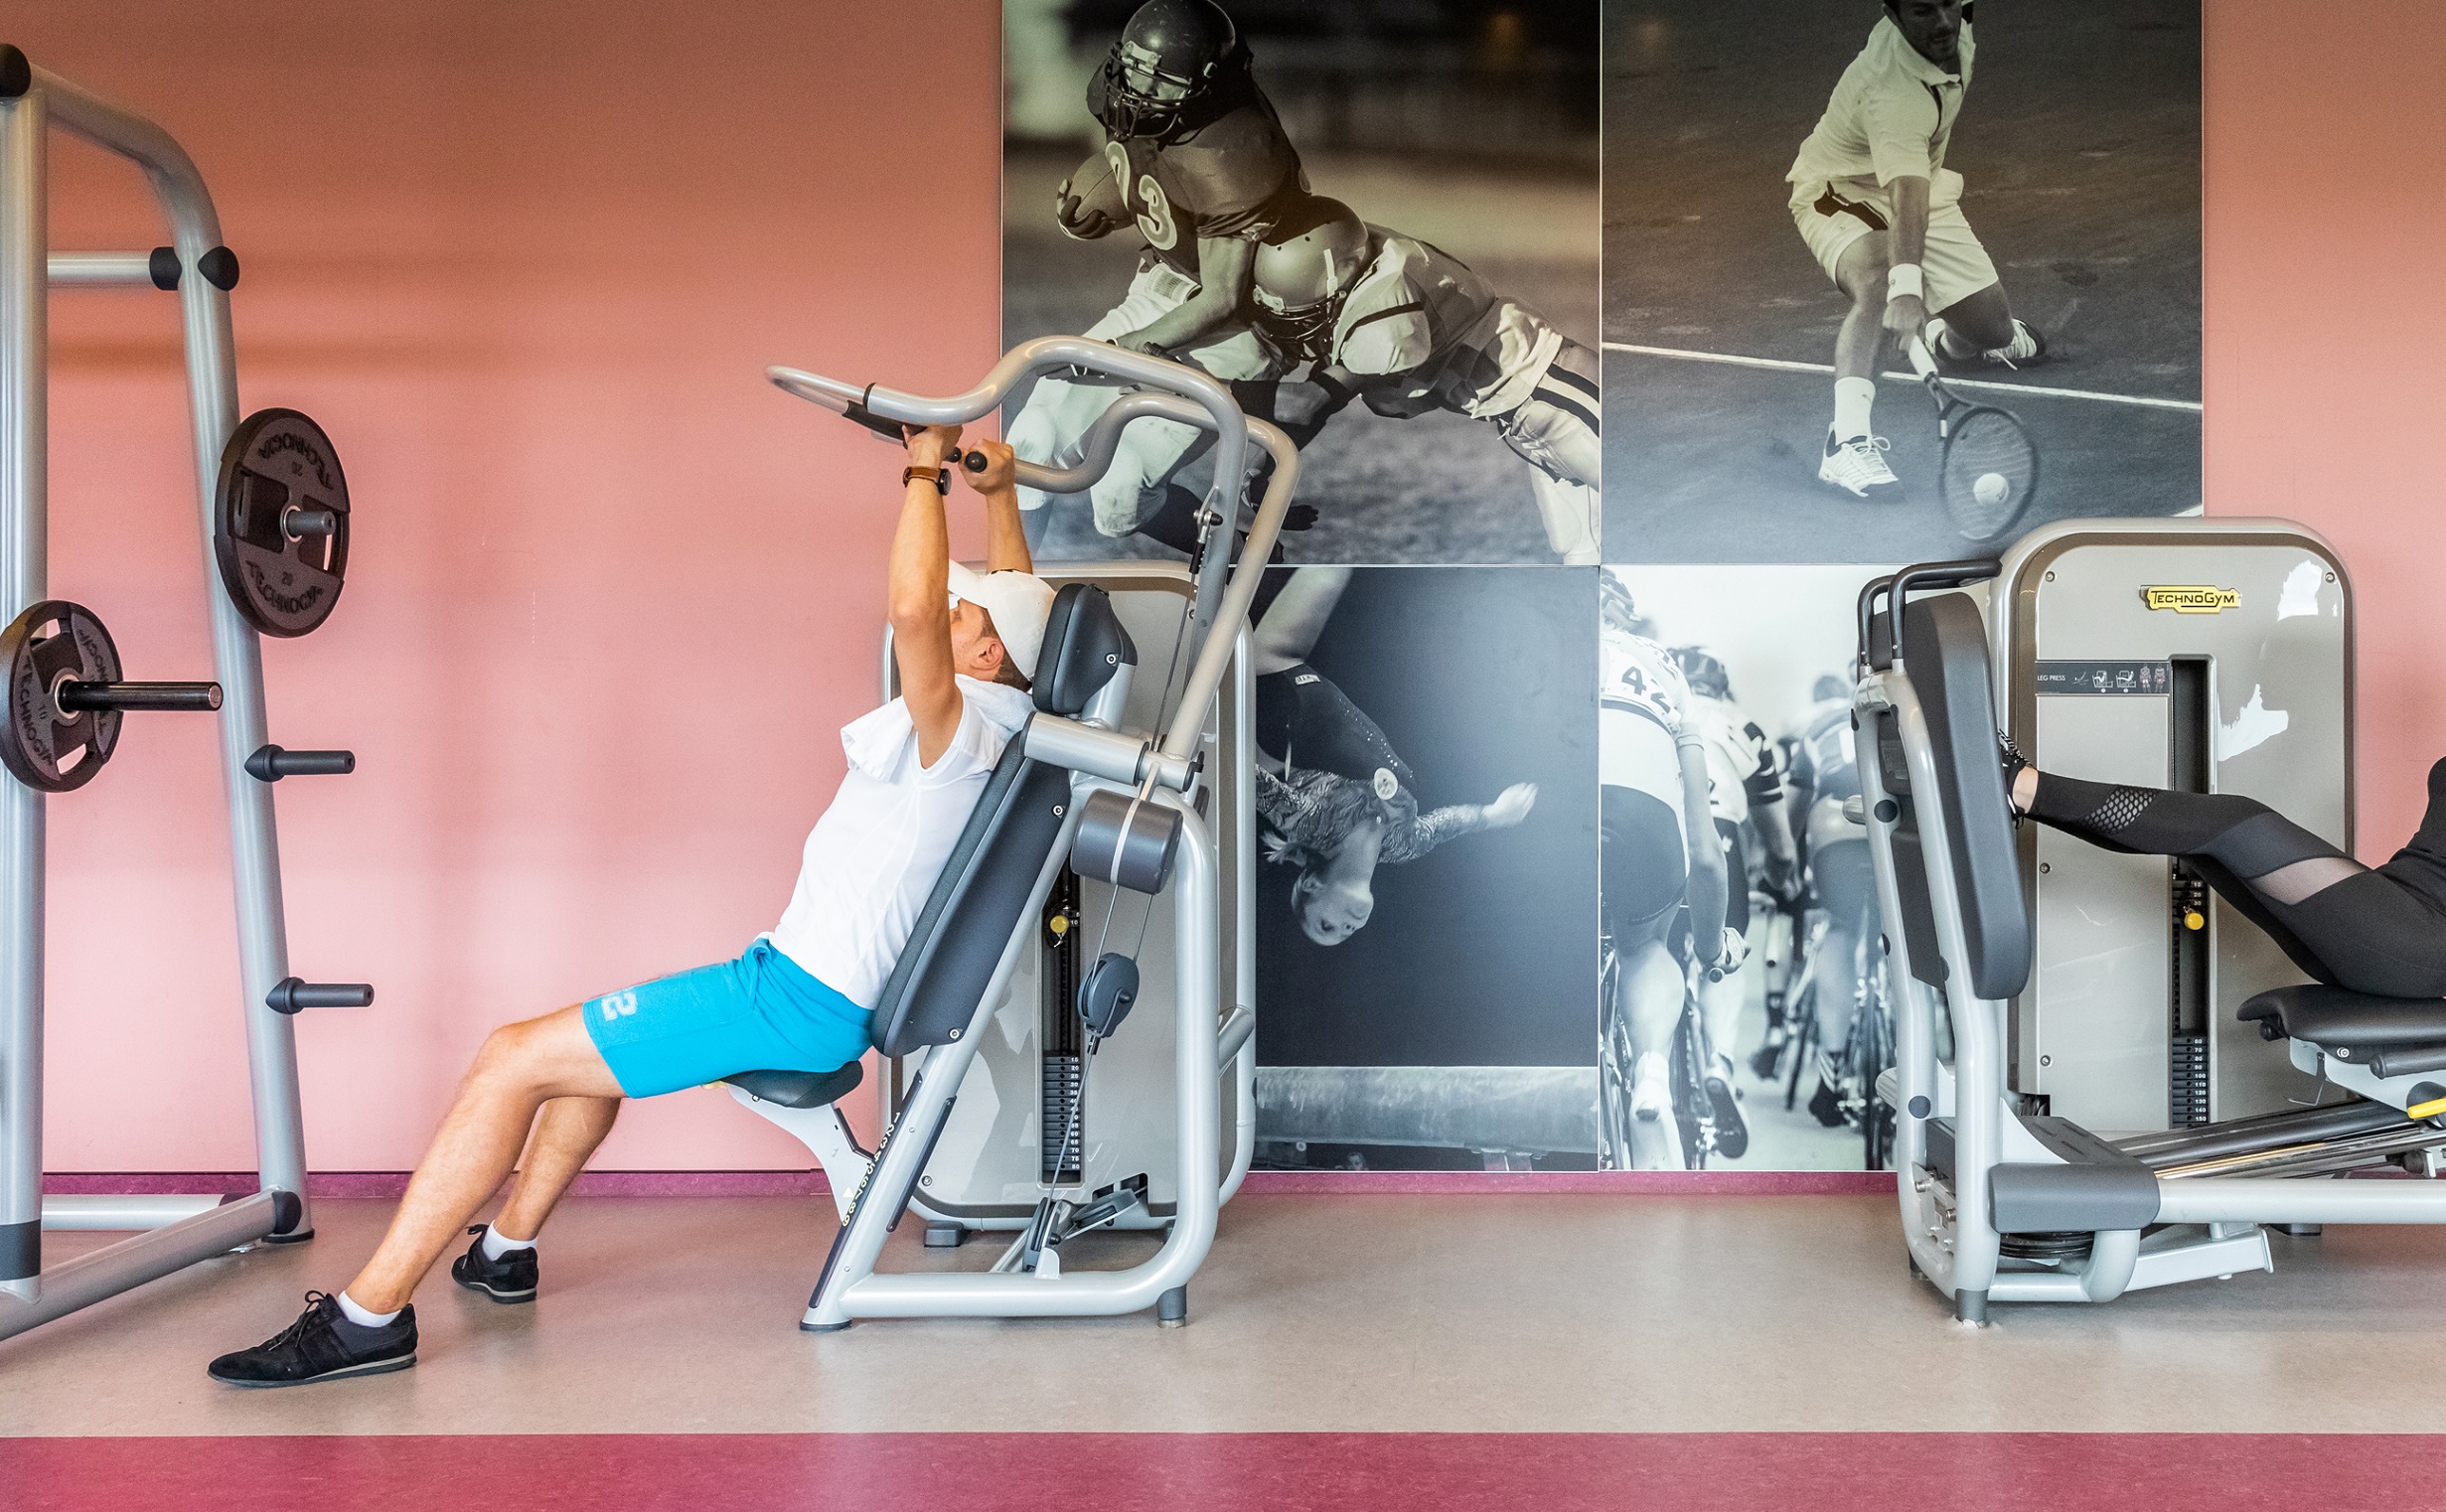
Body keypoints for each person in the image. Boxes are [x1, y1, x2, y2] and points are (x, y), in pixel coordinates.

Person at [208, 431, 1052, 1388]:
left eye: (964, 612)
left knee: (508, 1058)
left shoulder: (956, 734)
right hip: (796, 988)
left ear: (984, 651)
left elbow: (910, 608)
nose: (946, 609)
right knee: (582, 1064)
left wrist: (923, 471)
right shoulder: (1005, 718)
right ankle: (505, 1256)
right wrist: (1002, 495)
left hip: (790, 1002)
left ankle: (368, 1317)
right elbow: (1015, 611)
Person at [2007, 571, 2446, 1068]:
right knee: (2207, 846)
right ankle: (2021, 798)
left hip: (2428, 946)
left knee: (2237, 821)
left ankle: (2024, 785)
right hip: (2394, 911)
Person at [1016, 0, 1314, 545]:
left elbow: (1222, 297)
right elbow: (1155, 173)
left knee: (1121, 492)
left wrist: (1127, 348)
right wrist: (1105, 208)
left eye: (1163, 81)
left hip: (1239, 328)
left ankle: (1242, 558)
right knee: (1031, 441)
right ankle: (1016, 581)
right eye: (1134, 69)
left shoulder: (1234, 147)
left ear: (1209, 82)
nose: (1140, 90)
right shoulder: (1143, 97)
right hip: (1161, 286)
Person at [1243, 195, 1603, 565]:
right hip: (1525, 419)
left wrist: (1214, 393)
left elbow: (1306, 403)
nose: (1301, 329)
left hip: (1556, 396)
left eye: (1308, 315)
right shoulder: (1360, 261)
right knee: (1583, 552)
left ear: (1342, 280)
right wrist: (1261, 469)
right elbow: (1320, 402)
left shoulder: (1386, 304)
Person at [1790, 0, 2046, 501]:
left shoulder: (1956, 21)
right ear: (1893, 15)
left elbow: (1916, 192)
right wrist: (1906, 289)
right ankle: (1845, 443)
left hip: (1922, 185)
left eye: (1949, 4)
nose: (1944, 23)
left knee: (1993, 331)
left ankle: (1948, 342)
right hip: (1843, 189)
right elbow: (1905, 197)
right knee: (1880, 282)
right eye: (1924, 12)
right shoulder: (1894, 94)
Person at [1251, 565, 1538, 947]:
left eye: (1326, 926)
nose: (1346, 929)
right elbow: (1448, 824)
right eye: (1346, 935)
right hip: (1298, 670)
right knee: (1335, 561)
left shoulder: (1310, 824)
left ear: (1311, 885)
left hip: (1265, 672)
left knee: (1326, 566)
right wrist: (1495, 814)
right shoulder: (1403, 844)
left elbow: (1245, 777)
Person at [1599, 576, 1736, 1169]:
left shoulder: (1541, 640)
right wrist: (1708, 950)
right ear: (1624, 617)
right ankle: (1652, 1068)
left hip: (1557, 808)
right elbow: (1704, 852)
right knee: (1642, 947)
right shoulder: (1662, 664)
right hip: (1646, 820)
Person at [1674, 648, 1794, 1111]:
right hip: (1718, 832)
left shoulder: (1660, 705)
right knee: (1727, 951)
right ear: (1722, 688)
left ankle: (1643, 1063)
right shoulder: (1743, 726)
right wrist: (1778, 879)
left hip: (1659, 827)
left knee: (1645, 951)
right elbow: (1779, 841)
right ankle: (1719, 1059)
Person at [1788, 672, 1884, 1128]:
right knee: (1908, 933)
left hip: (1834, 822)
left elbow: (1794, 806)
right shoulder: (1913, 711)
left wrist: (1787, 866)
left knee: (1840, 928)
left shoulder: (1820, 724)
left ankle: (1830, 1079)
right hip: (1897, 819)